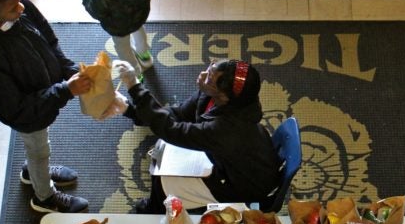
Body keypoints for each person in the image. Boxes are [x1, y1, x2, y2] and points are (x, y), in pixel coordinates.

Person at [0, 0, 90, 213]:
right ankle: (44, 197)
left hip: (43, 94)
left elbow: (47, 35)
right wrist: (65, 90)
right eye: (14, 7)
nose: (22, 7)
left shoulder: (18, 8)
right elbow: (18, 109)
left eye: (20, 0)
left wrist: (67, 69)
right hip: (28, 114)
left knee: (38, 149)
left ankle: (33, 172)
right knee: (39, 149)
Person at [110, 59, 282, 214]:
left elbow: (172, 130)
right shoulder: (217, 96)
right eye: (210, 68)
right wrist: (130, 109)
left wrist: (134, 87)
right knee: (164, 150)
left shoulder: (228, 130)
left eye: (210, 78)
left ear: (223, 96)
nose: (203, 75)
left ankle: (154, 209)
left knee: (163, 181)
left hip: (243, 183)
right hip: (239, 161)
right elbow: (178, 114)